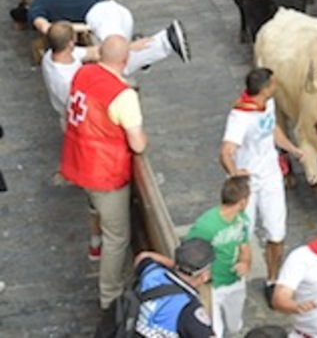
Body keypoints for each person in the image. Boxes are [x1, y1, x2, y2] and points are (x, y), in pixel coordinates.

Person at [60, 36, 148, 309]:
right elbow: (138, 142)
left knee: (94, 209)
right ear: (125, 61)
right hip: (104, 171)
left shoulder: (84, 72)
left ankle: (94, 245)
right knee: (117, 236)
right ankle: (109, 296)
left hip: (77, 159)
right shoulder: (123, 96)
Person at [219, 67, 304, 308]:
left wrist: (292, 149)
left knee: (277, 232)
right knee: (242, 233)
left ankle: (272, 279)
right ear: (265, 87)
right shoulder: (240, 116)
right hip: (249, 183)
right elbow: (226, 151)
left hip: (271, 177)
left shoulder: (268, 103)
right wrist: (235, 173)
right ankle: (234, 279)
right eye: (273, 83)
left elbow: (273, 129)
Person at [19, 0, 191, 69]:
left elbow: (46, 29)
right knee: (120, 66)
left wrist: (73, 30)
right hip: (116, 11)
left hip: (100, 20)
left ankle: (165, 40)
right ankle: (155, 48)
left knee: (113, 62)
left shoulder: (36, 7)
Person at [40, 21, 172, 125]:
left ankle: (163, 43)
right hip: (82, 118)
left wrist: (128, 47)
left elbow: (93, 52)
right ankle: (163, 44)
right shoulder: (64, 80)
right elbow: (79, 104)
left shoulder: (56, 54)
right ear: (70, 44)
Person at [186, 176, 252, 337]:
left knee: (235, 326)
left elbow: (245, 246)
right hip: (212, 286)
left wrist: (245, 262)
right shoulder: (205, 226)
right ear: (242, 202)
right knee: (215, 331)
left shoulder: (242, 220)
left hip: (235, 281)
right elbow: (189, 253)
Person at [127, 239, 216, 337]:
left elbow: (144, 256)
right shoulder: (189, 309)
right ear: (204, 276)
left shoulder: (151, 272)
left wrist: (177, 266)